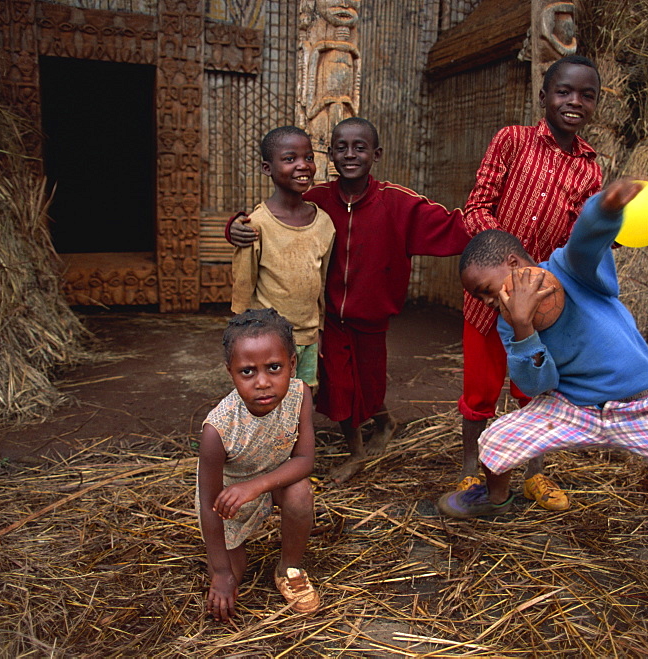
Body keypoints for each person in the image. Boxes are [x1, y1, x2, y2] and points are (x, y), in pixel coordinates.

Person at [437, 180, 648, 615]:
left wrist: (605, 207)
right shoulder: (508, 324)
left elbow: (586, 239)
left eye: (486, 288)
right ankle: (496, 497)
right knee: (497, 441)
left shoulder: (572, 270)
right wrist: (523, 330)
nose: (487, 300)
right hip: (572, 405)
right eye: (479, 297)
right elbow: (538, 387)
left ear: (515, 262)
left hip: (640, 403)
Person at [227, 117, 470, 483]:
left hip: (372, 317)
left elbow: (453, 227)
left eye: (360, 147)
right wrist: (233, 226)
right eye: (341, 147)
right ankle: (355, 451)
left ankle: (385, 421)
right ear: (331, 154)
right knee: (339, 385)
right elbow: (270, 215)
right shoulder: (317, 200)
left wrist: (500, 232)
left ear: (377, 154)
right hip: (327, 320)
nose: (350, 155)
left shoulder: (397, 203)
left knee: (369, 386)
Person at [458, 54, 604, 511]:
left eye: (586, 95)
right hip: (488, 301)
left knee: (536, 391)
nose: (574, 102)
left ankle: (535, 475)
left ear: (596, 104)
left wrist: (603, 237)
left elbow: (577, 237)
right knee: (479, 393)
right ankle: (471, 470)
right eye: (563, 91)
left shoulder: (590, 169)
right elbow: (477, 207)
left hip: (541, 305)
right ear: (543, 97)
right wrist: (506, 267)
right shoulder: (512, 141)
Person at [196, 308, 320, 621]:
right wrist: (222, 573)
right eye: (247, 372)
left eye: (274, 367)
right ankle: (229, 563)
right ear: (230, 372)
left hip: (269, 483)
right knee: (232, 580)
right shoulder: (217, 430)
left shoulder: (300, 395)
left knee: (300, 493)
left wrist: (256, 486)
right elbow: (208, 507)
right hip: (228, 506)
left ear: (292, 364)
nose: (262, 382)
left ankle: (289, 568)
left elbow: (305, 461)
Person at [231, 126, 335, 388]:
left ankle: (303, 432)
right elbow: (243, 286)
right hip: (267, 338)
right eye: (290, 159)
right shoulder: (255, 225)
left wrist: (318, 330)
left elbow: (321, 284)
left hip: (307, 337)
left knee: (304, 396)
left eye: (308, 158)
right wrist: (241, 336)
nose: (303, 166)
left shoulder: (323, 223)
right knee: (268, 398)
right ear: (267, 168)